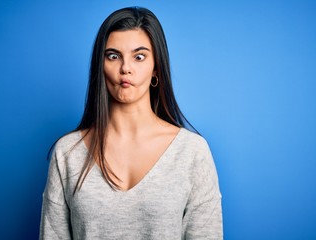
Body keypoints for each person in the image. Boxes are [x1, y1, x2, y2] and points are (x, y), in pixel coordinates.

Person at [39, 6, 223, 240]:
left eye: (139, 56)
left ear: (156, 68)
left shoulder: (192, 153)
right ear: (101, 66)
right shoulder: (67, 153)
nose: (126, 68)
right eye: (113, 56)